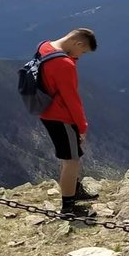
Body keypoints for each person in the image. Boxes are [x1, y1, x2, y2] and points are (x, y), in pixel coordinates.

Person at [37, 28, 98, 216]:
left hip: (46, 111)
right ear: (78, 44)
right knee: (71, 160)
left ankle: (74, 189)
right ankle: (68, 207)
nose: (81, 55)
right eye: (83, 51)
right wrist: (82, 126)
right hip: (61, 116)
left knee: (67, 156)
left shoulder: (44, 46)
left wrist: (72, 58)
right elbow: (72, 98)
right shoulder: (65, 64)